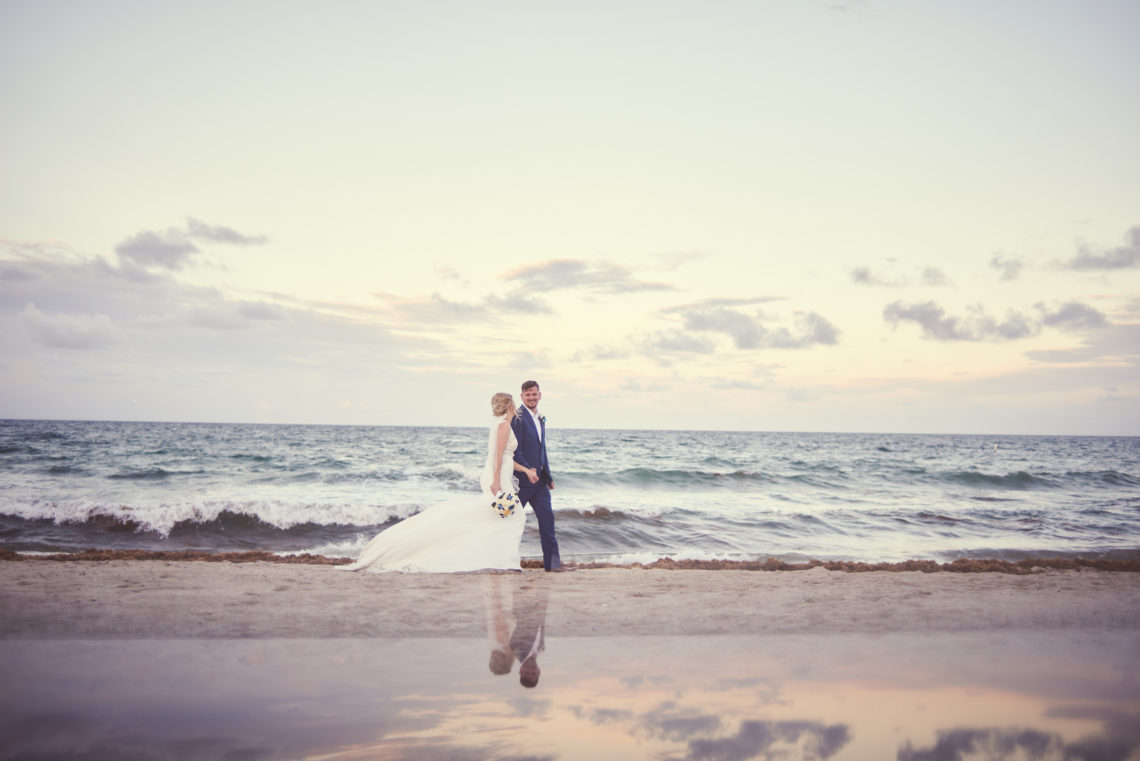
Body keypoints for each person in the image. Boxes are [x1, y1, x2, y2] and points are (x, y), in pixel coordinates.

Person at [340, 392, 528, 573]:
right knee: (514, 515)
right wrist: (496, 481)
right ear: (511, 405)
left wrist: (526, 470)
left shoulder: (501, 425)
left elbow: (506, 457)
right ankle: (503, 560)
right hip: (498, 478)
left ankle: (501, 559)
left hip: (500, 475)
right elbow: (497, 456)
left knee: (501, 517)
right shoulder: (504, 426)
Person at [510, 380, 571, 572]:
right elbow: (515, 450)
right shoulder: (517, 418)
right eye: (527, 395)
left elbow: (542, 450)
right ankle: (505, 563)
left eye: (534, 394)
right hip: (522, 482)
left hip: (540, 482)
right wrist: (528, 470)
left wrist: (548, 475)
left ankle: (553, 565)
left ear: (540, 395)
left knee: (547, 523)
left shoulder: (540, 418)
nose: (531, 398)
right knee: (510, 524)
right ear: (522, 396)